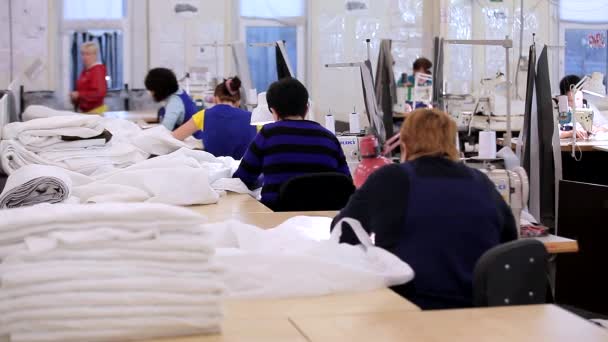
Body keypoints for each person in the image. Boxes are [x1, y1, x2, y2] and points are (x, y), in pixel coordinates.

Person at [332, 108, 517, 310]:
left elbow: (343, 231)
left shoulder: (391, 178)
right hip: (477, 315)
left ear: (404, 143)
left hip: (409, 313)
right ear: (451, 143)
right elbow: (509, 244)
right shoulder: (482, 182)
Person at [233, 78, 351, 210]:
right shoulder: (329, 138)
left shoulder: (268, 134)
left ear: (274, 111)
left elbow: (242, 179)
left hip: (276, 219)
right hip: (322, 222)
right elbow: (346, 184)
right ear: (306, 109)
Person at [172, 77, 257, 159]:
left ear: (216, 99)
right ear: (239, 102)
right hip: (244, 170)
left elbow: (175, 137)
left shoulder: (203, 115)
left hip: (214, 169)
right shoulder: (253, 118)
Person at [558, 75, 608, 139]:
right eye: (570, 101)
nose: (575, 104)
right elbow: (552, 133)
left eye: (578, 99)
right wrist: (569, 133)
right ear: (563, 99)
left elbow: (605, 125)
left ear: (582, 96)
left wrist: (598, 129)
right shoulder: (558, 109)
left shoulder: (587, 106)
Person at [71, 42, 108, 114]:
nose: (84, 57)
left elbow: (99, 93)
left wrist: (79, 95)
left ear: (95, 55)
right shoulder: (86, 71)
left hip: (95, 111)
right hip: (86, 111)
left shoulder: (97, 70)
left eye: (88, 54)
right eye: (82, 54)